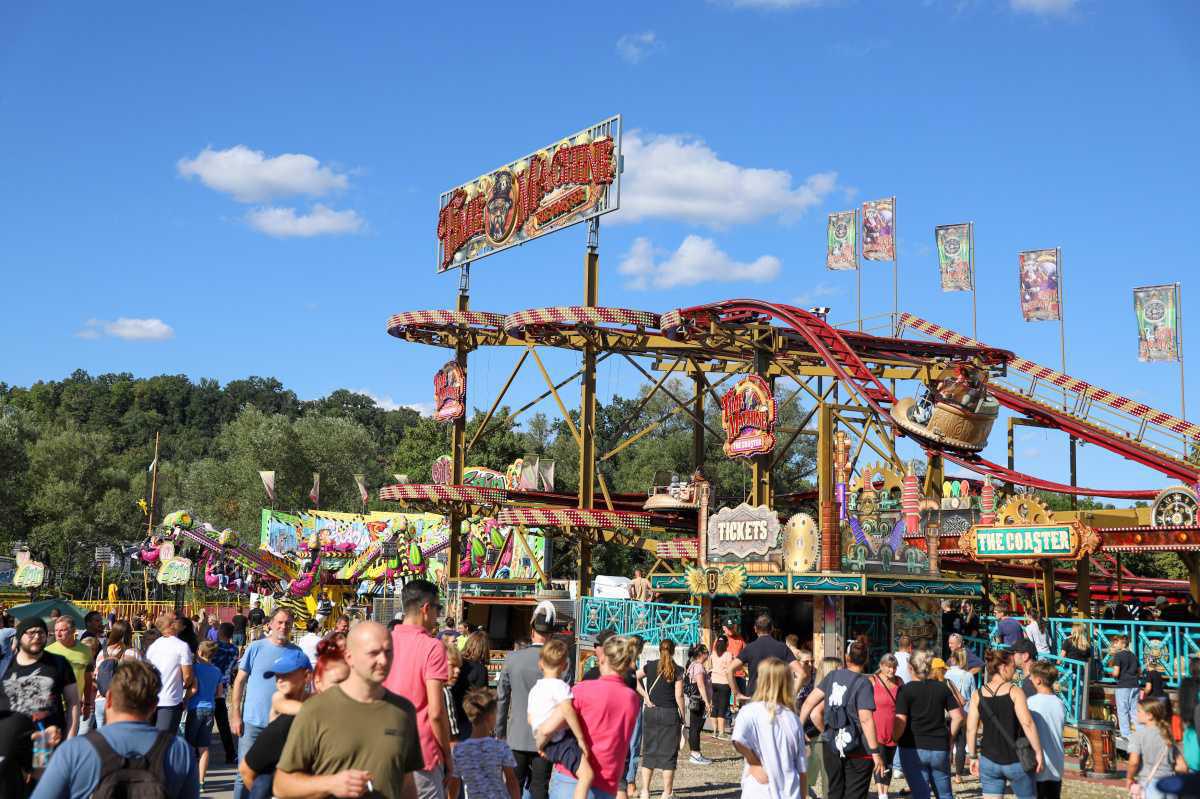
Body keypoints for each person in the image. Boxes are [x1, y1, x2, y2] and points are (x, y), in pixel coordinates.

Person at [273, 622, 422, 799]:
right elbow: (281, 785)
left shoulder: (403, 711)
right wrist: (330, 784)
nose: (383, 660)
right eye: (373, 653)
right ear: (349, 657)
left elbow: (407, 783)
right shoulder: (315, 710)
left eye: (388, 652)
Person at [30, 659, 199, 799]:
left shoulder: (75, 750)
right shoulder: (179, 749)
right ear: (154, 706)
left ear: (109, 698)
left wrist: (41, 752)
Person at [241, 639, 347, 799]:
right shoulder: (280, 699)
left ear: (307, 676)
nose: (280, 679)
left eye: (286, 674)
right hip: (272, 767)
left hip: (295, 769)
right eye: (277, 675)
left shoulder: (314, 699)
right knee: (262, 783)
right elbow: (246, 771)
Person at [383, 578, 454, 799]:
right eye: (437, 608)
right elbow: (435, 712)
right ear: (425, 608)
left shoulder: (384, 641)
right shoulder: (433, 647)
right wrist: (448, 756)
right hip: (422, 752)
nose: (438, 615)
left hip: (384, 748)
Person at [548, 635, 640, 799]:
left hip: (571, 775)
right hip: (607, 782)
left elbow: (552, 725)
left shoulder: (581, 690)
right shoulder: (632, 699)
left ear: (602, 657)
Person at [798, 640, 886, 799]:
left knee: (835, 791)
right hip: (857, 748)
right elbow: (866, 720)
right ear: (866, 659)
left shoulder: (832, 676)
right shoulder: (864, 683)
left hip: (832, 745)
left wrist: (799, 729)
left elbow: (809, 704)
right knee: (855, 793)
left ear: (846, 658)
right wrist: (875, 752)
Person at [229, 607, 300, 798]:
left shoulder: (296, 653)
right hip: (252, 723)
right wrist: (236, 715)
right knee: (244, 773)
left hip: (282, 727)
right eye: (280, 622)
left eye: (287, 623)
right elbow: (239, 681)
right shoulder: (256, 648)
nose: (283, 626)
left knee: (277, 776)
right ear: (270, 624)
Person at [497, 602, 558, 799]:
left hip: (516, 734)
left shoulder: (512, 659)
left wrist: (500, 733)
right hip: (547, 737)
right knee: (540, 787)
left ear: (532, 631)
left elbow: (502, 699)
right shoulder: (560, 663)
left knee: (513, 785)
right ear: (551, 633)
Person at [966, 650, 1043, 799]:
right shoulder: (1015, 692)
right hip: (1015, 760)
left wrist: (973, 756)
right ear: (1003, 667)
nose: (1015, 669)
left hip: (988, 759)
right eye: (1013, 666)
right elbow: (1027, 723)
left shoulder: (977, 694)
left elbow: (971, 729)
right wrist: (1038, 752)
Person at [524, 638, 593, 799]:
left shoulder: (535, 689)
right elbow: (568, 711)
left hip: (544, 743)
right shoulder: (561, 687)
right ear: (564, 666)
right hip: (560, 741)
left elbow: (529, 718)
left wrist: (541, 740)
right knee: (587, 775)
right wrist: (580, 737)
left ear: (540, 664)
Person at [732, 657, 807, 799]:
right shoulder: (793, 718)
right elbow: (801, 768)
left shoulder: (749, 711)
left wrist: (753, 762)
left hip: (758, 791)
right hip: (789, 791)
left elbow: (737, 739)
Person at [893, 651, 963, 799]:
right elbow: (958, 717)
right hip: (939, 747)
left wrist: (894, 738)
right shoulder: (942, 687)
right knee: (945, 794)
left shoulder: (905, 690)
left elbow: (901, 721)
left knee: (921, 794)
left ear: (910, 668)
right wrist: (949, 741)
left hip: (913, 747)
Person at [1, 617, 80, 740]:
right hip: (9, 746)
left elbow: (73, 702)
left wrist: (69, 740)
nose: (37, 637)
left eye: (41, 633)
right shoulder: (4, 666)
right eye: (31, 633)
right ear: (20, 636)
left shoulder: (59, 663)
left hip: (47, 746)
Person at [637, 639, 685, 799]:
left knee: (649, 751)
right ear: (673, 651)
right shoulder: (677, 670)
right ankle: (667, 792)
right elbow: (679, 696)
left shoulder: (650, 665)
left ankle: (645, 791)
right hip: (670, 712)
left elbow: (633, 677)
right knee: (669, 753)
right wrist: (683, 717)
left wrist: (645, 696)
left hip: (651, 711)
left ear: (659, 650)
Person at [457, 688, 520, 799]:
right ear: (489, 717)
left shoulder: (459, 750)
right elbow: (511, 781)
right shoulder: (501, 747)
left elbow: (454, 783)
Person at [144, 612, 195, 733]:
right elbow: (187, 676)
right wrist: (185, 687)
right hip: (171, 699)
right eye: (176, 621)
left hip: (151, 698)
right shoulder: (182, 646)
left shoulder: (154, 646)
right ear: (172, 626)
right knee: (165, 741)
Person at [729, 615, 802, 697]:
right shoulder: (783, 648)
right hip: (776, 699)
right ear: (772, 629)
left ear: (755, 629)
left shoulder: (750, 648)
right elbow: (801, 674)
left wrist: (737, 694)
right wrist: (790, 697)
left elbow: (729, 670)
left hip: (754, 698)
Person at [1127, 698, 1186, 799]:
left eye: (1139, 711)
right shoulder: (1167, 734)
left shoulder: (1139, 735)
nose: (1137, 714)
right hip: (1170, 784)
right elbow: (1182, 766)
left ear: (1150, 715)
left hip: (1150, 784)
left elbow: (1134, 762)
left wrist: (1129, 777)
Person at [46, 617, 95, 733]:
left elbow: (88, 678)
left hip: (75, 705)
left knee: (70, 741)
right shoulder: (48, 651)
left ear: (73, 631)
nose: (58, 633)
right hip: (54, 706)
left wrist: (87, 703)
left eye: (62, 630)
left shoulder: (85, 651)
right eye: (56, 630)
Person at [186, 640, 222, 790]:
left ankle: (188, 779)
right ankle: (201, 781)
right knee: (204, 747)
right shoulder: (217, 671)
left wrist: (183, 699)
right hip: (210, 709)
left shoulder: (195, 668)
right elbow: (219, 693)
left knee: (189, 745)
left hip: (195, 708)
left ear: (200, 653)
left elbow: (193, 690)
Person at [1026, 661, 1064, 799]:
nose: (1029, 679)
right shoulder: (1059, 703)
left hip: (1038, 761)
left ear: (1038, 680)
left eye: (1031, 676)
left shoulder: (1031, 702)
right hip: (1057, 761)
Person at [93, 619, 138, 729]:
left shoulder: (102, 652)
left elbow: (95, 675)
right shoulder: (131, 653)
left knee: (101, 739)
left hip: (100, 700)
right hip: (120, 701)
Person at [868, 654, 901, 799]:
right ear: (881, 666)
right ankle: (881, 793)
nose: (892, 670)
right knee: (879, 761)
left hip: (894, 729)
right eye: (889, 667)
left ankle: (885, 791)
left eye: (894, 667)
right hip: (876, 728)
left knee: (889, 763)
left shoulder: (900, 682)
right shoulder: (872, 681)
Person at [945, 650, 976, 784]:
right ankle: (958, 775)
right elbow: (974, 695)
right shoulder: (968, 675)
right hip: (964, 713)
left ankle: (946, 772)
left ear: (952, 659)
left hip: (948, 713)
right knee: (961, 744)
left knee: (948, 744)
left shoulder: (945, 674)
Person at [210, 622, 239, 764]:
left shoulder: (214, 647)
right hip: (223, 689)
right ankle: (230, 753)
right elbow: (234, 667)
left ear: (220, 632)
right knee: (223, 724)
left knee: (203, 723)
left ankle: (198, 751)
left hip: (208, 688)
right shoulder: (234, 650)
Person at [454, 629, 491, 734]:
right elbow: (482, 699)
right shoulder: (481, 670)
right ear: (484, 648)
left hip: (453, 715)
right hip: (469, 719)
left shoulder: (458, 662)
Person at [684, 643, 713, 766]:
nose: (708, 655)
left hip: (696, 700)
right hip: (699, 700)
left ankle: (695, 753)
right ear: (701, 654)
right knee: (696, 727)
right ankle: (695, 753)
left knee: (695, 727)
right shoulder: (698, 667)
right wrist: (707, 702)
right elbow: (700, 685)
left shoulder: (692, 665)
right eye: (707, 652)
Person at [1110, 633, 1140, 740]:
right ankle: (1141, 733)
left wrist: (1113, 674)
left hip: (1123, 685)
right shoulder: (1133, 655)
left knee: (1123, 711)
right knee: (1134, 711)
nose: (1114, 645)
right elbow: (1139, 672)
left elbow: (1116, 673)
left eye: (1116, 642)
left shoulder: (1118, 656)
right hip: (1135, 685)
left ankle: (1125, 734)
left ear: (1122, 643)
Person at [709, 635, 734, 740]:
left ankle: (714, 731)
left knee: (714, 706)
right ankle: (721, 732)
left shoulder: (713, 654)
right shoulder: (728, 655)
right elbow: (730, 670)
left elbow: (709, 667)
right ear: (726, 644)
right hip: (724, 683)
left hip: (713, 682)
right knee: (722, 707)